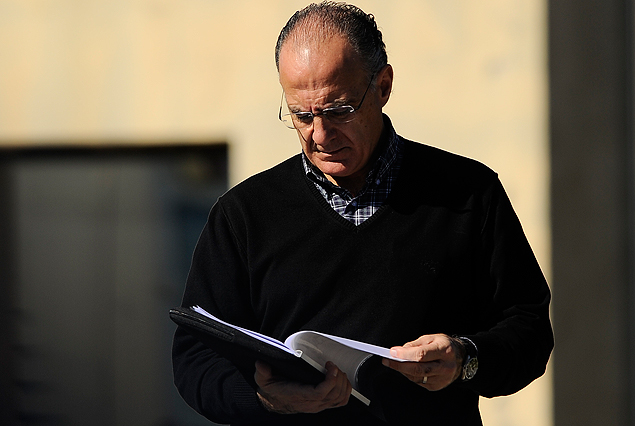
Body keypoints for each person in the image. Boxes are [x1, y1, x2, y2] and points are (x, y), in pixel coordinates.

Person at [172, 2, 553, 425]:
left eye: (339, 110)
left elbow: (529, 331)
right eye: (301, 115)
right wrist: (265, 399)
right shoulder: (242, 215)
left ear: (383, 86)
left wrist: (465, 359)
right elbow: (194, 359)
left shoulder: (468, 194)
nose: (320, 135)